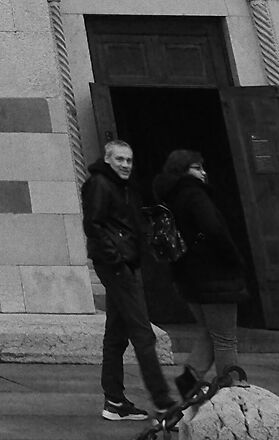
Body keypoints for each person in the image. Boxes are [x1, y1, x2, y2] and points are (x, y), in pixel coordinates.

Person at [81, 137, 175, 423]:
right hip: (118, 267)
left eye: (129, 160)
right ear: (107, 159)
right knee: (142, 334)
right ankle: (164, 405)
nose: (125, 165)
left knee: (117, 335)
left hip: (124, 263)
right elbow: (93, 224)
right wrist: (115, 258)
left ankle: (114, 401)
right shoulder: (99, 184)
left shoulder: (120, 187)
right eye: (120, 159)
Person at [154, 147, 246, 396]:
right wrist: (233, 258)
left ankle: (190, 377)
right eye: (197, 168)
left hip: (187, 276)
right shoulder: (194, 195)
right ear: (184, 170)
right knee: (226, 337)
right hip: (213, 275)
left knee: (210, 331)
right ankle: (232, 389)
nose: (203, 173)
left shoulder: (169, 197)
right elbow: (213, 229)